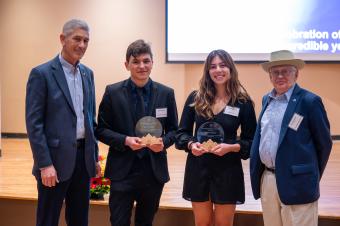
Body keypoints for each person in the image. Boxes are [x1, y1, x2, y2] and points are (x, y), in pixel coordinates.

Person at [25, 19, 101, 226]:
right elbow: (34, 124)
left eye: (86, 40)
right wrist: (45, 164)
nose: (82, 45)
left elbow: (89, 119)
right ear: (62, 39)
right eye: (77, 39)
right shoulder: (41, 74)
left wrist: (93, 156)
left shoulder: (88, 74)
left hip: (82, 161)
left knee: (79, 220)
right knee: (48, 220)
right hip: (54, 163)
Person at [95, 39, 178, 226]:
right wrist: (125, 140)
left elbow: (174, 130)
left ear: (152, 63)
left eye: (146, 61)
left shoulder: (166, 93)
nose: (142, 66)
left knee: (145, 222)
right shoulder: (112, 92)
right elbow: (100, 129)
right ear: (127, 65)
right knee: (118, 222)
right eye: (136, 61)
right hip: (122, 171)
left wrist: (163, 142)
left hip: (153, 171)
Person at [250, 50, 333, 226]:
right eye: (275, 72)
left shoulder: (309, 101)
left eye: (286, 71)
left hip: (298, 182)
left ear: (296, 73)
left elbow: (324, 144)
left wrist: (309, 175)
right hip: (268, 180)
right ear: (270, 76)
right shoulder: (267, 100)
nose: (280, 76)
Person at [176, 49, 257, 226]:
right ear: (207, 71)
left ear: (230, 69)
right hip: (198, 168)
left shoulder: (243, 102)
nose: (218, 70)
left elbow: (252, 142)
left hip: (227, 169)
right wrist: (191, 145)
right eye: (213, 66)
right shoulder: (196, 98)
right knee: (202, 223)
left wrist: (232, 147)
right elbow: (181, 134)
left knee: (223, 224)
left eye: (223, 65)